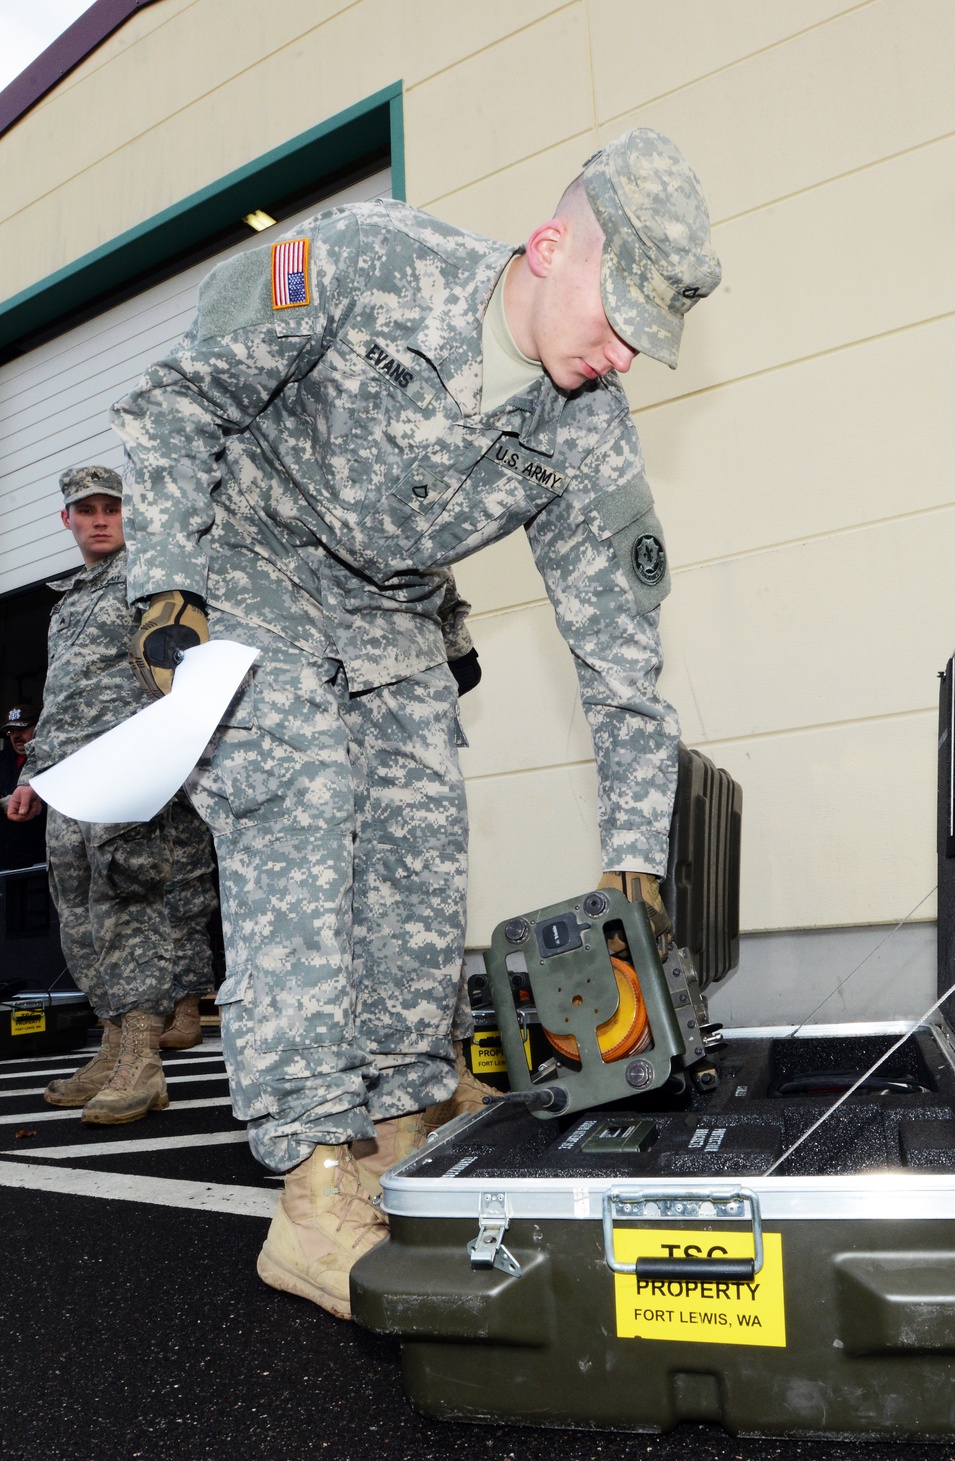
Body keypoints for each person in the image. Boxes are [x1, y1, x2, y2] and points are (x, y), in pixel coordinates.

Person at [111, 127, 720, 1317]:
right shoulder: (365, 262)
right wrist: (164, 582)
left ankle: (395, 1124)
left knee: (419, 848)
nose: (626, 354)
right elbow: (178, 398)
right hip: (248, 575)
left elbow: (622, 662)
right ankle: (311, 1178)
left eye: (648, 335)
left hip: (390, 620)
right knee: (303, 802)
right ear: (550, 248)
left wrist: (635, 855)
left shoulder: (584, 428)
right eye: (618, 317)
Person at [6, 466, 219, 1120]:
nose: (100, 520)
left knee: (130, 908)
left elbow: (187, 665)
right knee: (79, 915)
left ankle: (142, 1059)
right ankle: (113, 1044)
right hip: (69, 779)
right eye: (86, 510)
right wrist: (29, 776)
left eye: (113, 508)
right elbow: (60, 699)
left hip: (129, 766)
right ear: (65, 521)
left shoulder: (154, 578)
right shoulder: (66, 602)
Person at [0, 706, 46, 869]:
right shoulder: (3, 761)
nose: (16, 736)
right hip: (5, 863)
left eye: (22, 728)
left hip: (40, 862)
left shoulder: (49, 761)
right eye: (11, 731)